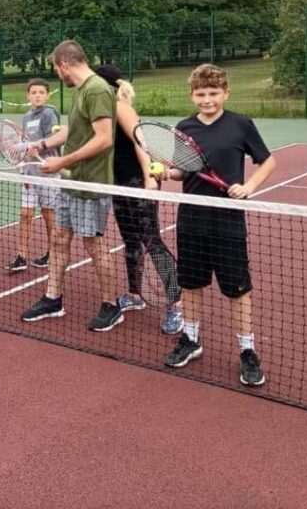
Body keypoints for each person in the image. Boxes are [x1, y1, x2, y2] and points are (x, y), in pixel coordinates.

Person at [161, 63, 277, 387]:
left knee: (238, 290)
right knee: (192, 285)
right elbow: (183, 172)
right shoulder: (184, 128)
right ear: (192, 94)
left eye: (213, 93)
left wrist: (249, 186)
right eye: (200, 93)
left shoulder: (241, 125)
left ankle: (247, 351)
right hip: (192, 218)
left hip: (227, 219)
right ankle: (191, 339)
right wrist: (166, 173)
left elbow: (268, 161)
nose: (207, 99)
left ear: (226, 92)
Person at [20, 41, 126, 332]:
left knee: (94, 244)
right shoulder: (82, 91)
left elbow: (104, 138)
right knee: (59, 238)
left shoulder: (97, 89)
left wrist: (62, 160)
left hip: (90, 183)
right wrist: (40, 144)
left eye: (56, 69)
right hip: (70, 181)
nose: (58, 75)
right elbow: (73, 130)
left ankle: (110, 305)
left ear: (64, 65)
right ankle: (53, 298)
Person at [95, 65, 184, 335]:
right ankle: (135, 294)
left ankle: (176, 303)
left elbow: (140, 142)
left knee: (151, 240)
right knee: (130, 241)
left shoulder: (120, 106)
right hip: (119, 182)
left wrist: (148, 179)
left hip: (138, 181)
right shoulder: (101, 110)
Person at [5, 78, 60, 273]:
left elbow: (53, 140)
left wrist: (34, 148)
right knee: (25, 214)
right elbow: (27, 141)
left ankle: (52, 253)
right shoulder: (27, 117)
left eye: (41, 92)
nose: (37, 95)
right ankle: (22, 256)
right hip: (29, 173)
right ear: (28, 96)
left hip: (47, 173)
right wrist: (21, 151)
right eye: (33, 92)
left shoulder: (50, 114)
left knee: (48, 215)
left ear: (47, 95)